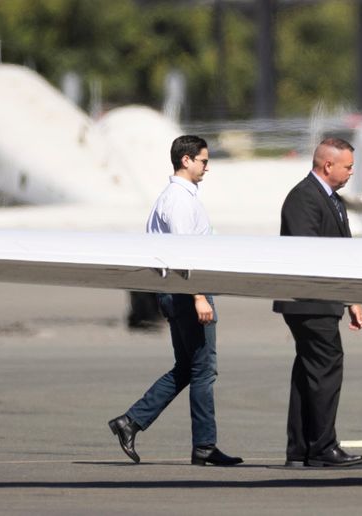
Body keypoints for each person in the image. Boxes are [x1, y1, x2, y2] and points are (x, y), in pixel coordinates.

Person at [108, 135, 242, 467]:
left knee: (188, 368)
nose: (206, 167)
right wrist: (199, 295)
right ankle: (204, 446)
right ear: (186, 161)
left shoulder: (175, 197)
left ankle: (131, 421)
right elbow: (184, 254)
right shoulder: (179, 201)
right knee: (204, 371)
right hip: (186, 292)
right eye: (203, 161)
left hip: (176, 292)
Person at [273, 137, 362, 468]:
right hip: (309, 302)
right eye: (348, 166)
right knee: (326, 369)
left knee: (308, 374)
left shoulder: (330, 199)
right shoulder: (304, 198)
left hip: (323, 301)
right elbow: (309, 254)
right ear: (328, 165)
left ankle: (301, 448)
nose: (351, 172)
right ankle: (323, 446)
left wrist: (351, 299)